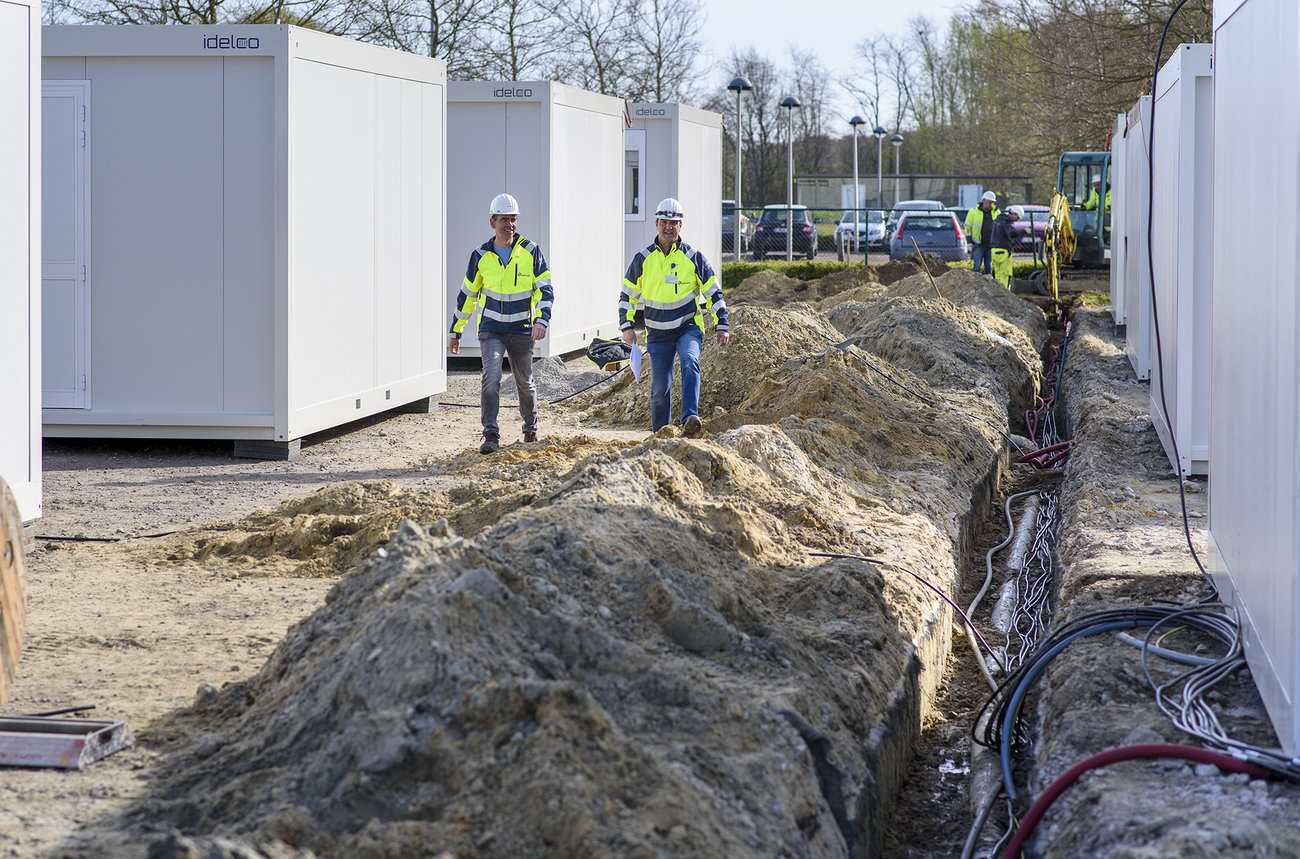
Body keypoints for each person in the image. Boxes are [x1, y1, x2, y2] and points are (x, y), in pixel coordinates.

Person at [448, 193, 553, 454]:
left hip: (521, 328)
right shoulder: (481, 255)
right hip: (491, 329)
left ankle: (530, 429)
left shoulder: (531, 251)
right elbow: (467, 296)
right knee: (491, 377)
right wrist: (456, 330)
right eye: (504, 219)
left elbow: (545, 289)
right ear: (492, 222)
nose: (510, 224)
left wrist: (541, 320)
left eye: (513, 219)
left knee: (525, 383)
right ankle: (490, 435)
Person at [619, 197, 729, 436]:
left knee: (690, 361)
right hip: (657, 334)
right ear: (656, 223)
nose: (669, 227)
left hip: (687, 327)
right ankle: (662, 432)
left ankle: (690, 417)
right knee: (660, 388)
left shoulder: (693, 257)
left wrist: (723, 323)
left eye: (674, 222)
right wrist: (626, 326)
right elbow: (627, 295)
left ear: (681, 226)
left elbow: (713, 291)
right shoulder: (642, 259)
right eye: (665, 222)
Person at [964, 191, 1000, 276]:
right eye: (989, 202)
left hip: (991, 245)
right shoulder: (973, 212)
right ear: (983, 201)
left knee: (988, 267)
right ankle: (973, 284)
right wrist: (969, 242)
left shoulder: (996, 213)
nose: (991, 204)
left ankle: (988, 286)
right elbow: (967, 228)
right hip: (978, 245)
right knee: (976, 267)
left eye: (992, 202)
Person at [990, 204, 1023, 288]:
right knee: (1005, 274)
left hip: (994, 251)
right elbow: (1011, 233)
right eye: (1017, 218)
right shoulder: (1007, 222)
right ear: (1014, 214)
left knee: (998, 274)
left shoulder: (996, 220)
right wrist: (1023, 232)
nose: (1017, 220)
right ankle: (1004, 294)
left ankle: (998, 291)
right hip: (1003, 251)